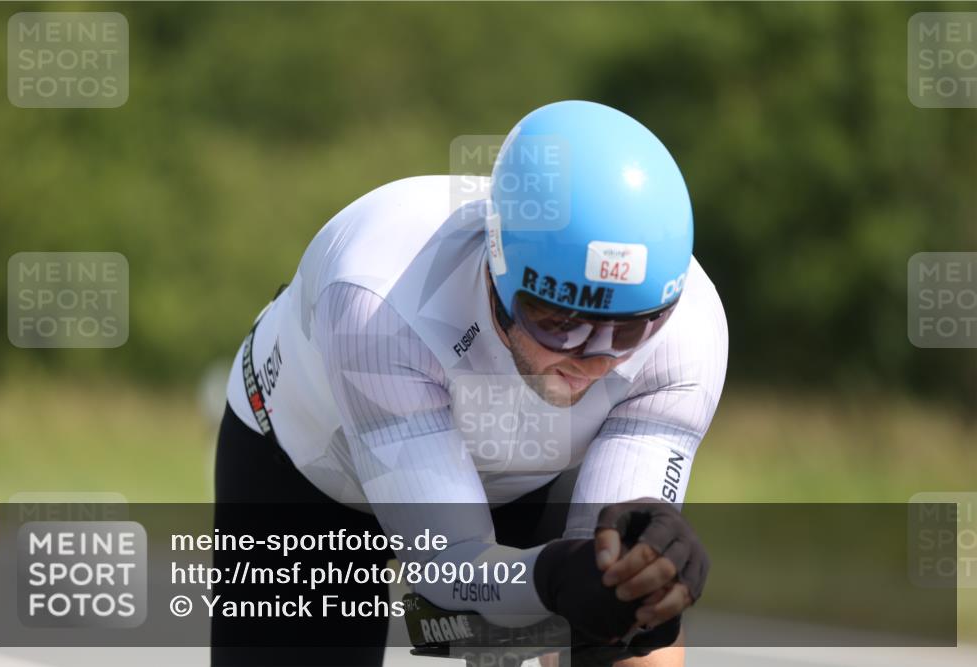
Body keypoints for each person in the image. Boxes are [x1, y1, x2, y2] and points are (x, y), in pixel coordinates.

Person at [213, 100, 728, 667]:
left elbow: (606, 574)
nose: (591, 360)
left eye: (628, 331)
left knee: (629, 631)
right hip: (316, 476)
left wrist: (636, 577)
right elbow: (448, 568)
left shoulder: (689, 331)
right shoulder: (379, 301)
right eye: (560, 322)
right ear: (496, 266)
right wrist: (554, 578)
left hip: (528, 471)